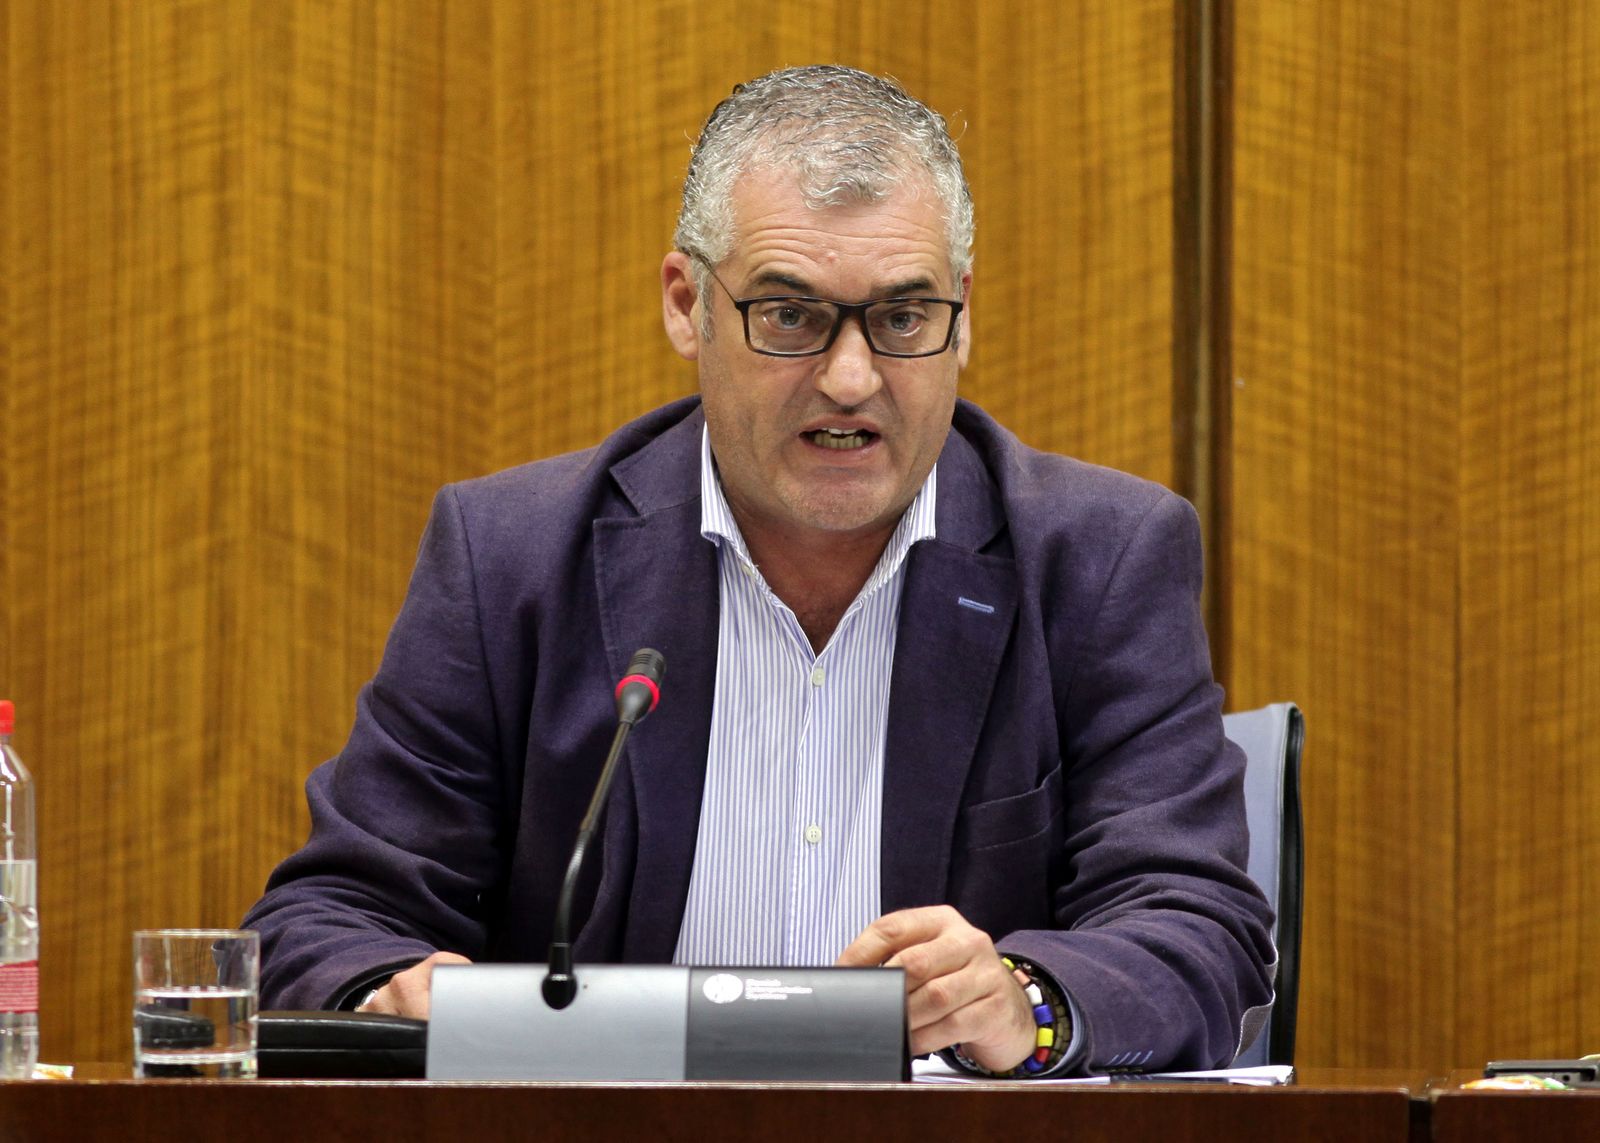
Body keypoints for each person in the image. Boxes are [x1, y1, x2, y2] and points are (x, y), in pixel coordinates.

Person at [243, 64, 1274, 1077]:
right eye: (790, 317)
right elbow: (332, 916)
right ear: (687, 303)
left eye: (903, 319)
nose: (851, 377)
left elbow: (1195, 927)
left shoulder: (1095, 561)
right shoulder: (512, 555)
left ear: (961, 307)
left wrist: (1024, 1000)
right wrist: (390, 984)